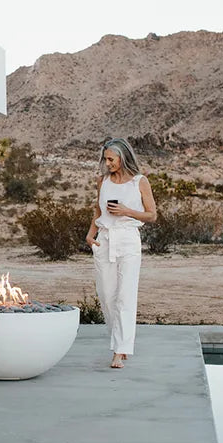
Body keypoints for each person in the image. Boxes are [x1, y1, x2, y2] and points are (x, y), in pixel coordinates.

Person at [85, 138, 157, 369]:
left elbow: (152, 215)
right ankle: (119, 341)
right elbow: (98, 211)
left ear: (123, 157)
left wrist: (127, 211)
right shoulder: (103, 181)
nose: (107, 163)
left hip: (128, 240)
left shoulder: (139, 182)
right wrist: (90, 235)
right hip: (104, 240)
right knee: (107, 295)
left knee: (125, 296)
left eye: (111, 159)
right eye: (105, 159)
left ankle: (120, 350)